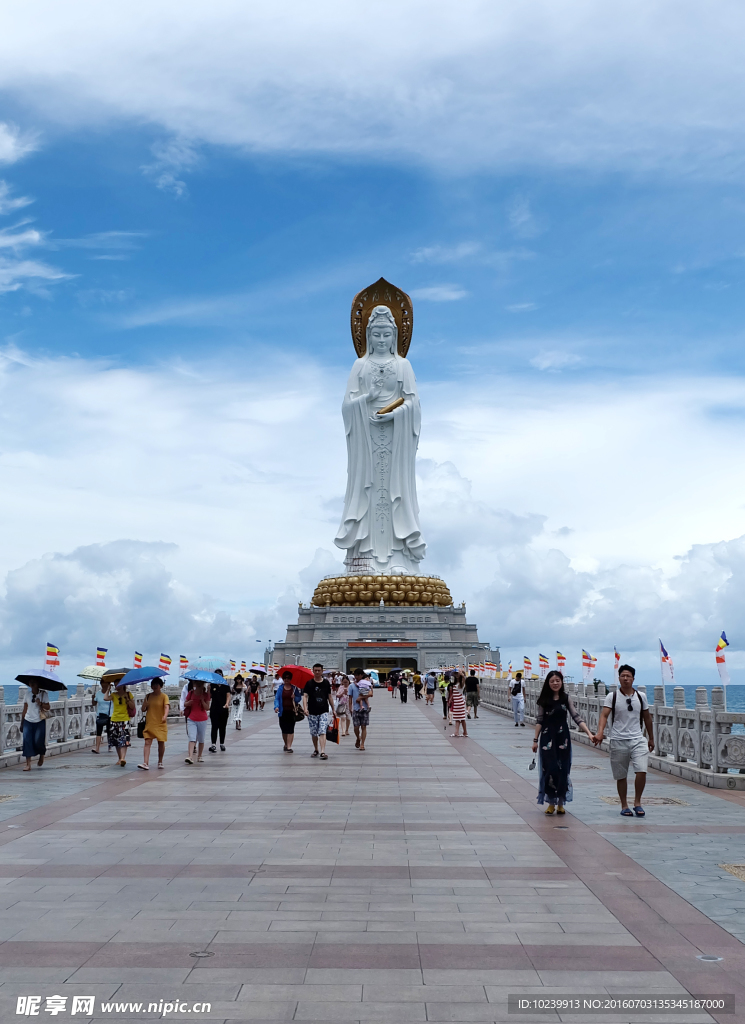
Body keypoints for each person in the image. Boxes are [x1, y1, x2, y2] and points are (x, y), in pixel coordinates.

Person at [593, 664, 655, 817]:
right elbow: (604, 715)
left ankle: (638, 802)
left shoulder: (641, 696)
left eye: (628, 676)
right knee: (621, 775)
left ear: (633, 678)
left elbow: (647, 717)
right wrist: (600, 732)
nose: (625, 678)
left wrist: (651, 738)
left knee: (642, 771)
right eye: (623, 676)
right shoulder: (612, 696)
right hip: (618, 740)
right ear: (619, 678)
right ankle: (624, 805)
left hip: (638, 739)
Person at [532, 670, 594, 815]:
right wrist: (535, 740)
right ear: (548, 683)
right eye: (552, 681)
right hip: (547, 738)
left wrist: (589, 733)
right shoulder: (544, 700)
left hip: (563, 739)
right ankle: (551, 803)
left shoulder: (566, 699)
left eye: (557, 680)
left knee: (563, 770)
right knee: (549, 769)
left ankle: (560, 802)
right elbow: (539, 721)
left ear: (561, 682)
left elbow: (576, 717)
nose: (555, 683)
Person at [138, 677, 169, 770]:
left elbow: (166, 707)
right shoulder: (148, 696)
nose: (155, 686)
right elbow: (143, 709)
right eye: (153, 684)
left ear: (160, 686)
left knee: (161, 742)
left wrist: (165, 716)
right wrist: (145, 705)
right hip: (150, 722)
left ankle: (160, 761)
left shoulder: (164, 696)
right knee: (147, 742)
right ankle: (145, 762)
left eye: (157, 684)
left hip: (160, 722)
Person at [303, 663, 333, 760]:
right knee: (314, 732)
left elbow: (330, 696)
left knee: (322, 730)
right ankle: (316, 749)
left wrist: (333, 709)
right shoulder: (309, 683)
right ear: (313, 670)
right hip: (312, 711)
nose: (317, 672)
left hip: (323, 710)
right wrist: (305, 708)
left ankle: (323, 751)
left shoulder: (326, 683)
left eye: (319, 670)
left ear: (322, 671)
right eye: (315, 670)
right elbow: (305, 696)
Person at [21, 681, 49, 771]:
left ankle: (42, 754)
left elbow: (48, 707)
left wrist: (40, 703)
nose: (32, 684)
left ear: (38, 684)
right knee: (27, 741)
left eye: (34, 682)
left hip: (39, 720)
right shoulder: (27, 695)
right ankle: (28, 764)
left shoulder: (43, 694)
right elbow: (25, 709)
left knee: (38, 741)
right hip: (28, 720)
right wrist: (22, 722)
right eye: (30, 683)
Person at [274, 670, 303, 752]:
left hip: (292, 711)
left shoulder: (294, 688)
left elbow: (299, 698)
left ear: (291, 679)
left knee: (291, 729)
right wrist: (276, 707)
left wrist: (295, 697)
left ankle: (289, 746)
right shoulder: (280, 688)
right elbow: (277, 699)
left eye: (288, 678)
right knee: (284, 729)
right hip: (282, 712)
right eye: (285, 678)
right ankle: (286, 744)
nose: (286, 680)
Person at [184, 680, 210, 764]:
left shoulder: (206, 695)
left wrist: (202, 701)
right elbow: (185, 704)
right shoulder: (191, 693)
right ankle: (190, 756)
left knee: (201, 739)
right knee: (192, 737)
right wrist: (189, 703)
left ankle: (200, 756)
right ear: (194, 684)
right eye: (197, 683)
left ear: (203, 684)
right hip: (191, 718)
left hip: (202, 719)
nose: (198, 684)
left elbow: (207, 708)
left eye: (201, 683)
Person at [110, 682, 135, 766]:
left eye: (119, 684)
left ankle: (123, 758)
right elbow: (105, 698)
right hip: (115, 719)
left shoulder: (128, 694)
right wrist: (107, 689)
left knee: (124, 740)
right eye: (116, 685)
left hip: (125, 720)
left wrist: (127, 699)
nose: (117, 686)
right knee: (117, 741)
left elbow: (132, 706)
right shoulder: (114, 695)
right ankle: (120, 758)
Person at [349, 667, 372, 751]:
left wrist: (361, 697)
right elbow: (350, 698)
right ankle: (358, 738)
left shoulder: (365, 683)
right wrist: (350, 708)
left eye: (358, 675)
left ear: (361, 675)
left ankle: (362, 744)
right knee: (356, 727)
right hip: (355, 709)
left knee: (363, 727)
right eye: (355, 675)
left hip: (365, 708)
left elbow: (370, 693)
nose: (356, 677)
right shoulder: (351, 686)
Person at [208, 670, 231, 752]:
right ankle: (213, 744)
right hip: (214, 708)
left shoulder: (225, 685)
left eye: (219, 674)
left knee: (222, 727)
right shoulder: (212, 685)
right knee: (214, 726)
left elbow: (228, 696)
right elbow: (209, 697)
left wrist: (227, 704)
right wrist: (208, 690)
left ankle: (222, 743)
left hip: (223, 708)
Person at [91, 680, 113, 754]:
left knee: (109, 731)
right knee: (98, 732)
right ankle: (97, 748)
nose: (104, 685)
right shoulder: (98, 693)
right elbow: (94, 704)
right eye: (102, 683)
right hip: (100, 714)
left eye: (106, 683)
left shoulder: (111, 694)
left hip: (109, 715)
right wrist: (93, 698)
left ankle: (110, 746)